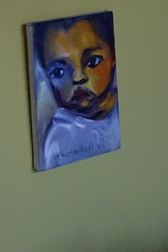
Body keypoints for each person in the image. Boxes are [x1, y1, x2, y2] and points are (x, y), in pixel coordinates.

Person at [33, 13, 120, 170]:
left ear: (113, 58)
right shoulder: (61, 137)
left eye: (92, 61)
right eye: (58, 72)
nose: (78, 77)